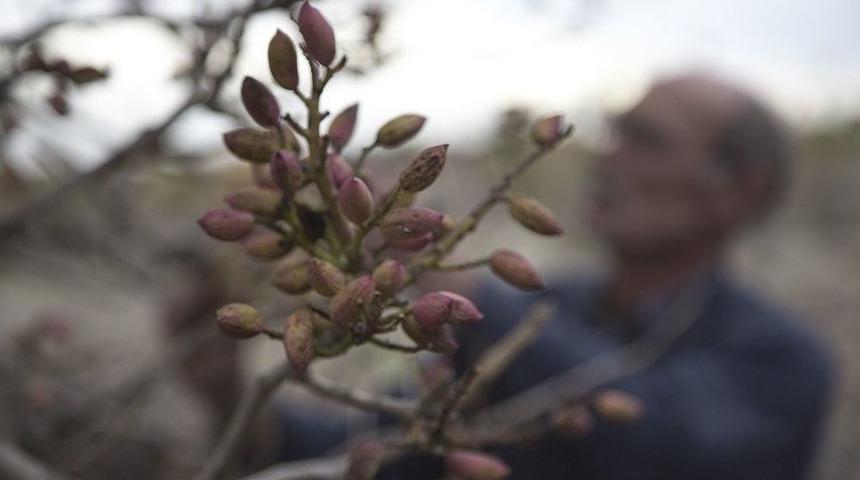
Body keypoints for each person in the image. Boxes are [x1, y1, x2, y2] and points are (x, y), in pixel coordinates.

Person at [377, 73, 833, 479]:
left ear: (739, 187)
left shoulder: (780, 362)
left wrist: (457, 291)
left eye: (647, 140)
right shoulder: (552, 304)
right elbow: (389, 444)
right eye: (617, 132)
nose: (609, 156)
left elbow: (658, 440)